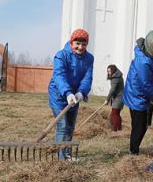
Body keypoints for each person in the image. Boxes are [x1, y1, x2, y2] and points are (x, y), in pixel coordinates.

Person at [48, 29, 94, 160]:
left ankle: (67, 154)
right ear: (71, 42)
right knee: (62, 125)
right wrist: (67, 93)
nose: (80, 47)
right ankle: (61, 158)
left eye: (84, 44)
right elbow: (59, 76)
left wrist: (81, 92)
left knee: (70, 126)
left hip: (75, 95)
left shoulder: (89, 58)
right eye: (77, 43)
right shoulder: (61, 55)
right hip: (58, 94)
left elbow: (87, 77)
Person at [123, 30, 153, 155]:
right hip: (136, 96)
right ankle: (133, 152)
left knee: (141, 126)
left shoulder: (150, 56)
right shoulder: (144, 61)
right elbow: (144, 84)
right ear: (149, 46)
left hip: (140, 94)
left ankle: (134, 149)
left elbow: (147, 79)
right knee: (139, 127)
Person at [104, 64, 124, 132]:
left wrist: (107, 99)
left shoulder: (116, 78)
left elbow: (112, 89)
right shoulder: (117, 76)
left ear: (113, 71)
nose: (108, 73)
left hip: (119, 97)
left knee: (114, 114)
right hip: (119, 97)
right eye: (108, 71)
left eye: (109, 71)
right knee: (117, 113)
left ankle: (114, 129)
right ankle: (119, 128)